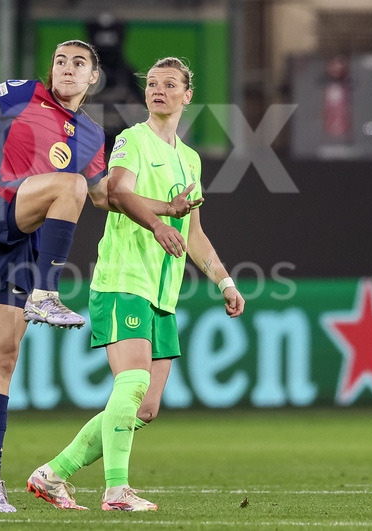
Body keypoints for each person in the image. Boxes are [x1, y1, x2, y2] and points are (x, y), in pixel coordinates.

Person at [0, 42, 200, 512]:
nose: (67, 68)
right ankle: (47, 292)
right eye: (61, 61)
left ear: (93, 79)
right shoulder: (26, 93)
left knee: (2, 356)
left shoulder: (89, 134)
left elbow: (106, 196)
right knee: (68, 185)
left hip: (20, 240)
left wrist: (166, 209)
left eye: (78, 64)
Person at [27, 57, 246, 512]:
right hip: (124, 279)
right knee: (130, 383)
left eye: (170, 85)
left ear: (187, 96)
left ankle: (52, 475)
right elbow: (118, 191)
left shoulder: (189, 159)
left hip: (162, 292)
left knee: (144, 408)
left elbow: (196, 234)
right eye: (152, 84)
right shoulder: (132, 140)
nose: (158, 90)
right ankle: (116, 490)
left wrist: (224, 280)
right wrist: (161, 220)